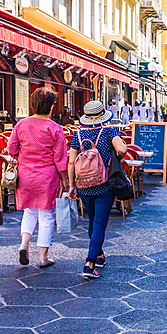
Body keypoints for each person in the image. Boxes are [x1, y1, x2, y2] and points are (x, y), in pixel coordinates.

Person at [68, 100, 130, 279]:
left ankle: (99, 255)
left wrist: (72, 185)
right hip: (104, 185)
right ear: (102, 115)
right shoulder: (109, 131)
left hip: (84, 185)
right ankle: (89, 263)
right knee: (100, 224)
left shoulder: (77, 136)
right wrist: (113, 157)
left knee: (93, 220)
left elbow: (71, 162)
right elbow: (123, 149)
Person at [8, 88, 68, 269]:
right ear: (51, 107)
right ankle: (43, 257)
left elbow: (11, 149)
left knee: (29, 212)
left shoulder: (21, 125)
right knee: (47, 215)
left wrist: (23, 157)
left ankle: (24, 245)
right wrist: (65, 179)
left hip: (25, 175)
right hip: (47, 177)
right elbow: (60, 158)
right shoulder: (56, 129)